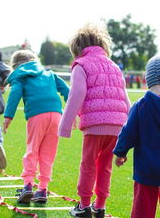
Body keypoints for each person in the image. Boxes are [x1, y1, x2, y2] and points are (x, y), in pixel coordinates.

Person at [59, 24, 130, 218]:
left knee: (88, 164)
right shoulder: (114, 66)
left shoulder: (81, 65)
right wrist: (130, 128)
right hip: (117, 125)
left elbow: (77, 93)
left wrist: (65, 125)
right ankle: (100, 206)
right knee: (105, 166)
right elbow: (125, 98)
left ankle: (83, 206)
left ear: (77, 49)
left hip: (95, 125)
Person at [113, 56, 160, 218]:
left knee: (142, 208)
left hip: (146, 169)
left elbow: (128, 132)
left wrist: (120, 152)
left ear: (147, 81)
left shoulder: (141, 105)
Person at [3, 50, 69, 204]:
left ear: (15, 65)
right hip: (56, 115)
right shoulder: (49, 73)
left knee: (32, 150)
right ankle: (42, 190)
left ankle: (27, 186)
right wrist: (74, 113)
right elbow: (67, 91)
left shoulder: (21, 75)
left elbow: (15, 94)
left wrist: (8, 116)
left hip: (37, 115)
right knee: (48, 154)